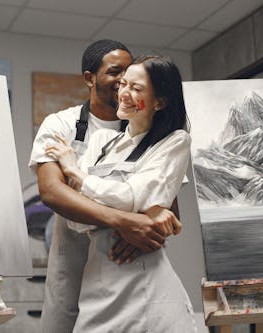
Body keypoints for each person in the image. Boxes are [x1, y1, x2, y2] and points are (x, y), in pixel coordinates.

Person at [29, 40, 182, 332]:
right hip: (72, 259)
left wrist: (139, 233)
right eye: (115, 72)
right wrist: (125, 222)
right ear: (90, 78)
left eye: (129, 73)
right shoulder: (61, 124)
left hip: (128, 260)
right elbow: (52, 192)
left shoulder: (153, 132)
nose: (124, 81)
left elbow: (168, 206)